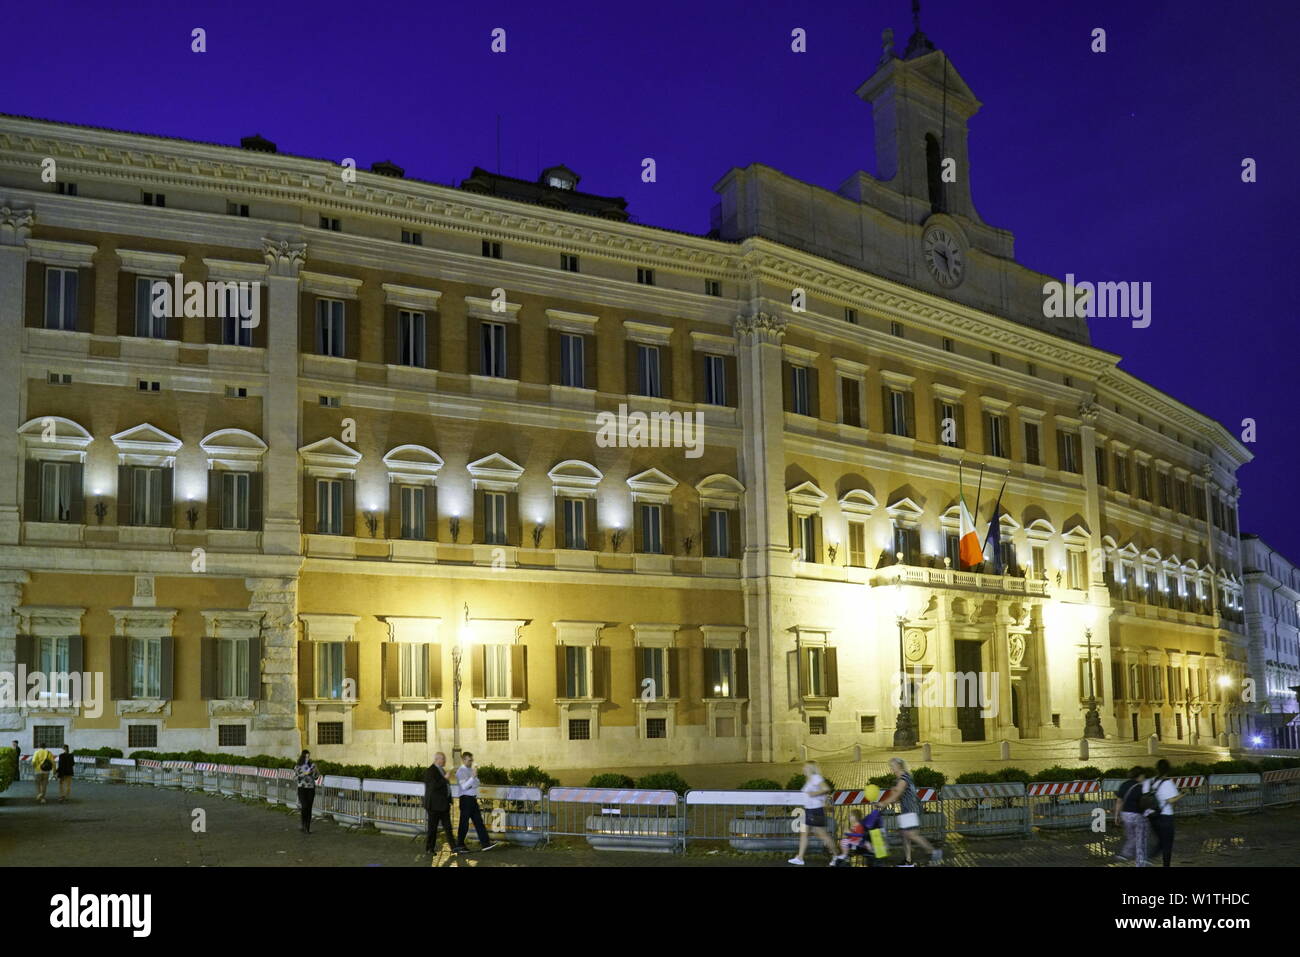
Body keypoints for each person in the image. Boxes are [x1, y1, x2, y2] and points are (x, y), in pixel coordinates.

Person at [880, 757, 942, 866]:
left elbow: (898, 793)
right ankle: (908, 860)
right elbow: (898, 796)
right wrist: (893, 797)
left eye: (892, 766)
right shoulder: (899, 779)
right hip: (906, 810)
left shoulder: (904, 777)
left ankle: (933, 851)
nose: (891, 769)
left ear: (898, 766)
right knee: (905, 835)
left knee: (911, 834)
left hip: (912, 809)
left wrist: (883, 803)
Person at [788, 761, 837, 866]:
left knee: (823, 835)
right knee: (804, 834)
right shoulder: (809, 779)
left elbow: (826, 789)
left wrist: (814, 793)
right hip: (809, 810)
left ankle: (836, 855)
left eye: (805, 767)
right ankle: (800, 858)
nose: (803, 769)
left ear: (810, 768)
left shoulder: (816, 778)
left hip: (816, 810)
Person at [454, 752, 499, 852]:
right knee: (464, 823)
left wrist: (471, 781)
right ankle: (460, 845)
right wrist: (472, 778)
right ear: (464, 759)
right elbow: (464, 786)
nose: (471, 762)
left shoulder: (470, 770)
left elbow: (477, 783)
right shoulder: (460, 771)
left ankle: (485, 843)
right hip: (465, 799)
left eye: (471, 760)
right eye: (469, 760)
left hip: (472, 799)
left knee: (478, 822)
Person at [1143, 758, 1182, 867]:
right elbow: (1171, 800)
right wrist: (1183, 794)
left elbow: (1144, 796)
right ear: (1168, 770)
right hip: (1166, 817)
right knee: (1167, 845)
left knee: (1160, 841)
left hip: (1152, 817)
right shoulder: (1168, 783)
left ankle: (1147, 858)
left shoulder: (1149, 781)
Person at [1113, 766, 1148, 865]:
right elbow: (1144, 803)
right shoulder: (1140, 787)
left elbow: (1119, 801)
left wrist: (1116, 816)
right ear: (1140, 776)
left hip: (1125, 815)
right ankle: (1140, 862)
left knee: (1131, 836)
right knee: (1140, 839)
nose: (1144, 778)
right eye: (1143, 776)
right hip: (1137, 816)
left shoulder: (1124, 785)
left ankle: (1125, 854)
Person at [423, 752, 457, 855]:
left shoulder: (441, 770)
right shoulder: (431, 771)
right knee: (432, 829)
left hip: (443, 805)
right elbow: (434, 786)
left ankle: (454, 848)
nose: (445, 761)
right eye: (443, 759)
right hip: (434, 806)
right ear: (437, 759)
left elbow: (444, 786)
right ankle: (429, 848)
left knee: (448, 828)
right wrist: (445, 778)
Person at [293, 750, 318, 834]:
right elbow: (295, 778)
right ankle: (303, 824)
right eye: (306, 757)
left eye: (308, 757)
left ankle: (307, 827)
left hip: (311, 788)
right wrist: (304, 774)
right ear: (302, 757)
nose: (307, 758)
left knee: (309, 808)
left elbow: (316, 777)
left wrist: (313, 771)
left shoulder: (312, 765)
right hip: (302, 788)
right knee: (304, 806)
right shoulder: (298, 766)